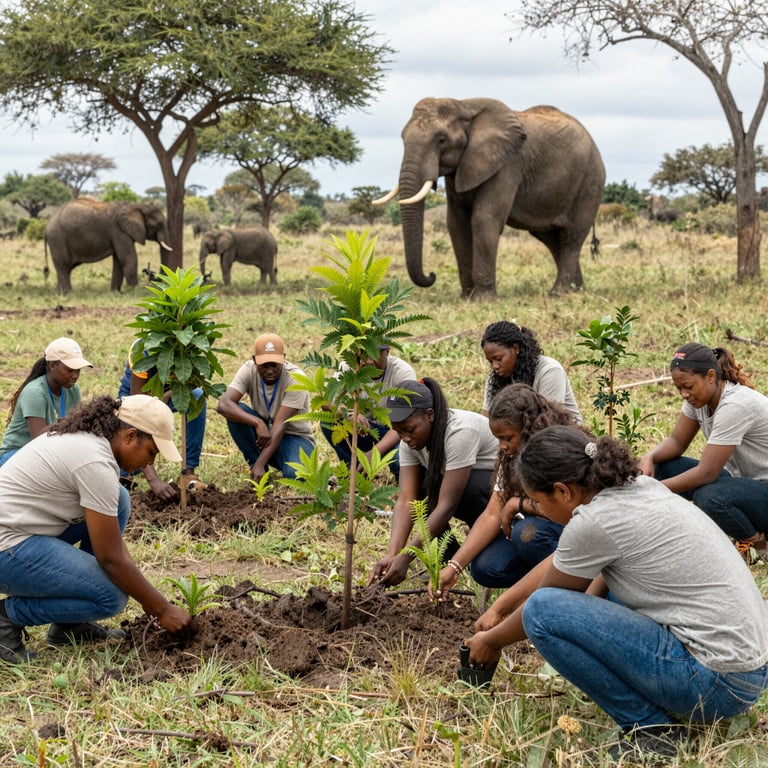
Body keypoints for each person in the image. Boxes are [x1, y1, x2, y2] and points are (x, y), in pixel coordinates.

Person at [466, 426, 768, 760]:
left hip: (716, 684)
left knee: (541, 611)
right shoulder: (639, 486)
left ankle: (650, 729)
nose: (536, 508)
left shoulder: (595, 522)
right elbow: (573, 571)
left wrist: (491, 641)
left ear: (563, 491)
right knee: (579, 603)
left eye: (537, 501)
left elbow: (546, 607)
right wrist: (501, 609)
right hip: (750, 669)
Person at [0, 394, 195, 663]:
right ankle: (7, 617)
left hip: (22, 529)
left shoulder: (89, 441)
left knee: (119, 499)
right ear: (129, 436)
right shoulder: (94, 463)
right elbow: (110, 558)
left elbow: (112, 546)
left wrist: (150, 600)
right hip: (7, 547)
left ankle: (70, 625)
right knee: (111, 596)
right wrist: (161, 609)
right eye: (151, 452)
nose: (150, 463)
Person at [430, 384, 578, 601]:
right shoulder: (510, 459)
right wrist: (454, 566)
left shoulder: (557, 450)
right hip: (539, 529)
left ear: (529, 430)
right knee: (485, 567)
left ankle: (572, 584)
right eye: (498, 439)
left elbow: (572, 511)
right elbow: (491, 514)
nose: (501, 446)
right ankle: (540, 580)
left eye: (508, 438)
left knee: (527, 534)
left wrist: (517, 504)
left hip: (571, 532)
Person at [638, 342, 768, 560]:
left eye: (688, 386)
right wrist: (648, 457)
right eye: (679, 388)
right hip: (747, 485)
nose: (683, 394)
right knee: (663, 467)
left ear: (710, 376)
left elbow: (706, 473)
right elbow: (677, 442)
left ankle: (758, 545)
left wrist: (653, 490)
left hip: (762, 490)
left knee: (710, 497)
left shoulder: (735, 405)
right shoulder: (700, 398)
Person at [368, 377, 498, 587]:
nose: (405, 438)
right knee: (422, 491)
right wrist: (392, 555)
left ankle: (489, 542)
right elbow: (406, 500)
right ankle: (448, 555)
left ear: (429, 415)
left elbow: (447, 505)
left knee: (463, 488)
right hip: (465, 490)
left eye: (410, 430)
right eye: (399, 432)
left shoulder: (459, 432)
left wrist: (408, 555)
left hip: (494, 494)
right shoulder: (408, 443)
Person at [217, 333, 314, 482]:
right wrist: (258, 423)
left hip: (294, 436)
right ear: (254, 360)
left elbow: (280, 425)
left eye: (274, 365)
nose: (269, 371)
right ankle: (258, 470)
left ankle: (261, 465)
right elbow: (224, 404)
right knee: (237, 413)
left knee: (296, 475)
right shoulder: (249, 370)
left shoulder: (296, 379)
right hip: (264, 433)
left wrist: (261, 462)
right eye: (264, 365)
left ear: (284, 358)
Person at [118, 338, 207, 498]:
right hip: (137, 394)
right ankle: (126, 473)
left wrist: (167, 397)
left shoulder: (188, 347)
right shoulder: (142, 350)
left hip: (169, 392)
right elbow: (139, 414)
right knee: (127, 447)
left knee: (197, 397)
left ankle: (188, 474)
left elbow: (191, 384)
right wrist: (154, 481)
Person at [320, 344, 416, 479]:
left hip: (396, 432)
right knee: (328, 420)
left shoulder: (402, 373)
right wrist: (348, 413)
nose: (369, 361)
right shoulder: (348, 368)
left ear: (388, 351)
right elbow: (325, 401)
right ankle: (354, 467)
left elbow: (406, 422)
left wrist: (374, 454)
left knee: (400, 463)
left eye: (375, 354)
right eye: (364, 353)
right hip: (364, 430)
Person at [0, 337, 92, 468]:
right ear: (52, 365)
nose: (75, 375)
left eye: (78, 370)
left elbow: (77, 429)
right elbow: (39, 442)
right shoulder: (35, 392)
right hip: (17, 455)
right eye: (70, 370)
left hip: (50, 454)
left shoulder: (73, 390)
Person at [481, 321, 581, 422]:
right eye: (490, 361)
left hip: (560, 433)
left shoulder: (549, 371)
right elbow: (487, 420)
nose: (494, 366)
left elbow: (548, 420)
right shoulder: (495, 377)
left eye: (498, 359)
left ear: (516, 348)